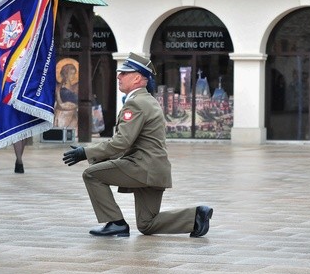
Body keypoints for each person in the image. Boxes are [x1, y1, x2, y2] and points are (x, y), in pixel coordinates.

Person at [62, 52, 213, 237]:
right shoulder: (147, 100)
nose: (119, 76)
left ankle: (115, 222)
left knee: (91, 175)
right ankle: (196, 216)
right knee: (147, 224)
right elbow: (128, 142)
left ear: (137, 78)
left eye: (124, 73)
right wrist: (99, 158)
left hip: (142, 167)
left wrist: (84, 152)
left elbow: (121, 142)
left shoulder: (137, 103)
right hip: (156, 170)